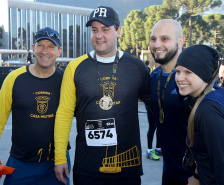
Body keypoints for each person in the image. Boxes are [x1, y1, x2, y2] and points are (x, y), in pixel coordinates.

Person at [54, 6, 151, 185]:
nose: (99, 36)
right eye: (94, 30)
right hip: (87, 167)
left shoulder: (137, 67)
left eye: (105, 30)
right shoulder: (75, 67)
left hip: (127, 168)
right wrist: (60, 157)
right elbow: (64, 113)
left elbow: (156, 107)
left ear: (118, 31)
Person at [0, 27, 71, 185]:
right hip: (20, 164)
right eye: (41, 45)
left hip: (56, 164)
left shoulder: (67, 81)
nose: (45, 51)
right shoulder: (14, 79)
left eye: (51, 46)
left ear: (59, 51)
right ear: (33, 48)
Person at [148, 19, 194, 185]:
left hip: (194, 177)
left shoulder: (193, 77)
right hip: (168, 172)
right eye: (153, 39)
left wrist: (198, 175)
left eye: (164, 39)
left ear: (180, 41)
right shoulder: (153, 77)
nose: (157, 44)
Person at [175, 45, 224, 185]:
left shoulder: (207, 111)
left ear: (204, 74)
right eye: (178, 71)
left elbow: (223, 168)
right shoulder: (216, 92)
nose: (180, 78)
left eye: (188, 72)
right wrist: (197, 176)